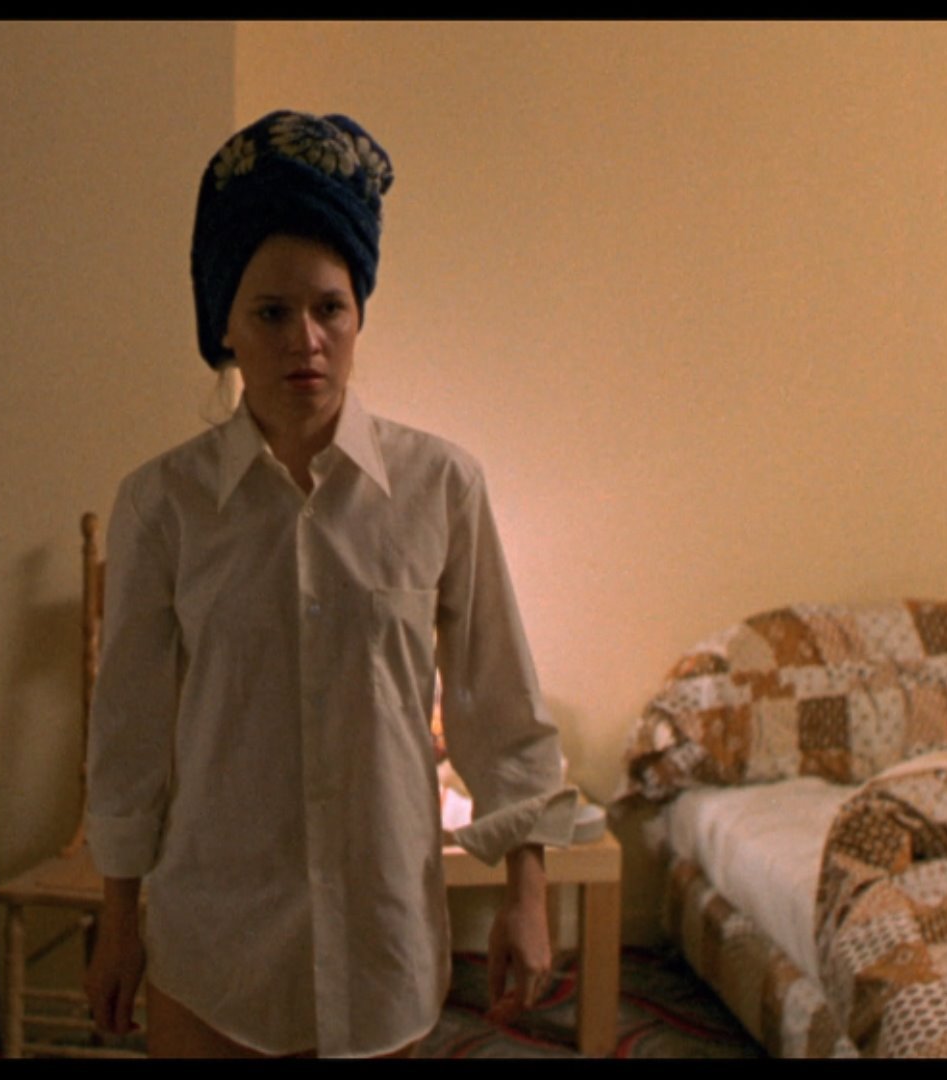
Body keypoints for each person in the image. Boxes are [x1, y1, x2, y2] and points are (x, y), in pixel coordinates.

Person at [81, 109, 576, 1059]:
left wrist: (527, 891)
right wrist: (118, 918)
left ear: (358, 315)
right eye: (271, 312)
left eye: (329, 309)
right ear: (226, 325)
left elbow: (499, 700)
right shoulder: (163, 505)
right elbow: (129, 732)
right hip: (215, 947)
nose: (304, 339)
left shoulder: (441, 488)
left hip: (379, 938)